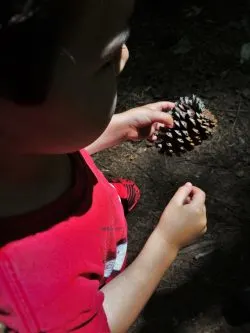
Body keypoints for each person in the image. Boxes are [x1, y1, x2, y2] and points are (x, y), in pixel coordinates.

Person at [0, 1, 207, 332]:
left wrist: (119, 127)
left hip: (91, 217)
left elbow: (51, 148)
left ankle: (106, 202)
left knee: (102, 202)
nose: (124, 59)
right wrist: (165, 244)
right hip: (92, 268)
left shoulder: (18, 147)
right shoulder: (33, 289)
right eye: (106, 60)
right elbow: (100, 322)